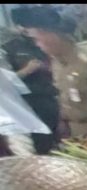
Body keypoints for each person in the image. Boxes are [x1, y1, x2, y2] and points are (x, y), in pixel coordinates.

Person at [22, 10, 87, 138]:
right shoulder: (56, 62)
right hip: (75, 130)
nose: (37, 45)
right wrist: (62, 121)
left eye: (37, 39)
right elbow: (63, 94)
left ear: (52, 36)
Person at [5, 7, 60, 153]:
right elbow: (5, 81)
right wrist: (26, 70)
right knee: (38, 144)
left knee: (57, 142)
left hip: (51, 98)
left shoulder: (43, 43)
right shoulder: (9, 47)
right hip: (29, 103)